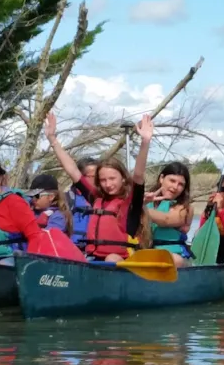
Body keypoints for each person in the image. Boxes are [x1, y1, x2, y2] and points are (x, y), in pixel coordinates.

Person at [45, 112, 153, 262]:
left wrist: (145, 142)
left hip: (119, 260)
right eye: (103, 180)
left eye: (112, 179)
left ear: (123, 178)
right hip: (93, 257)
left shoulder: (130, 202)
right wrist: (52, 139)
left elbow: (139, 175)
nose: (108, 184)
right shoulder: (96, 197)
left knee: (111, 258)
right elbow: (73, 170)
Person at [141, 161, 194, 267]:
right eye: (172, 181)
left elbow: (166, 219)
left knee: (174, 260)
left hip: (175, 257)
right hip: (147, 254)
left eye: (181, 184)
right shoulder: (146, 201)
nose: (175, 187)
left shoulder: (185, 209)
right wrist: (142, 203)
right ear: (161, 178)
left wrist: (139, 207)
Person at [65, 157, 97, 249]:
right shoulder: (67, 199)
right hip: (72, 250)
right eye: (94, 176)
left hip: (94, 251)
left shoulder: (103, 199)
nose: (98, 180)